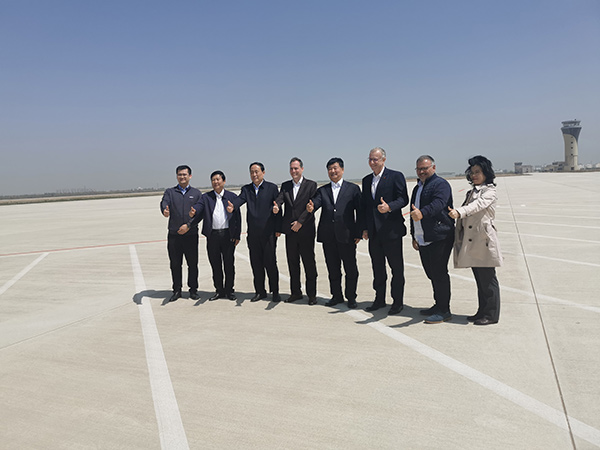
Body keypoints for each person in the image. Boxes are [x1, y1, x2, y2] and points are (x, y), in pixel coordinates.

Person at [448, 155, 502, 326]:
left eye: (478, 172)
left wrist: (459, 212)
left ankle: (491, 314)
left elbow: (477, 206)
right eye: (472, 172)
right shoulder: (472, 192)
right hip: (474, 241)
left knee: (488, 280)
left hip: (483, 242)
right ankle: (482, 311)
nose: (474, 175)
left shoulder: (489, 191)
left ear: (486, 172)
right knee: (480, 280)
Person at [307, 157, 362, 309]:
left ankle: (351, 297)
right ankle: (336, 295)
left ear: (342, 170)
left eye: (335, 168)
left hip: (347, 236)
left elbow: (360, 211)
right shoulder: (322, 190)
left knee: (351, 269)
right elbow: (316, 202)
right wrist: (311, 207)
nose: (333, 171)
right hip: (328, 237)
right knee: (333, 269)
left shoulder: (353, 189)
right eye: (330, 169)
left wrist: (359, 232)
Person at [361, 147, 409, 314]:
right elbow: (365, 206)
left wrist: (390, 207)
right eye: (370, 159)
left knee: (396, 268)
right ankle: (379, 299)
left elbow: (403, 198)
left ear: (383, 160)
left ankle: (397, 302)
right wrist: (365, 228)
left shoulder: (395, 176)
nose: (372, 162)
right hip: (374, 233)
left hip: (391, 231)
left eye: (375, 159)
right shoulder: (366, 180)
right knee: (378, 268)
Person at [409, 155, 455, 324]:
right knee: (431, 273)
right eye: (419, 169)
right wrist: (414, 235)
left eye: (425, 168)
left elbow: (439, 204)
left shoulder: (440, 184)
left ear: (433, 168)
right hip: (423, 237)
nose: (421, 172)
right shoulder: (417, 188)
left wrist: (423, 213)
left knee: (439, 273)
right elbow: (412, 213)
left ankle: (444, 310)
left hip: (440, 236)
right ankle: (438, 304)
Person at [230, 162, 282, 302]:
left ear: (263, 172)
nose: (254, 174)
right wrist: (233, 206)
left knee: (271, 263)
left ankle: (275, 292)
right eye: (252, 172)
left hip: (268, 234)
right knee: (256, 264)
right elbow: (240, 199)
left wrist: (278, 228)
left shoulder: (271, 188)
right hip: (253, 234)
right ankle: (260, 292)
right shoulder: (246, 189)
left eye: (257, 171)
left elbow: (278, 208)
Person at [189, 170, 241, 301]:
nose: (215, 182)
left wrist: (237, 235)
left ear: (224, 181)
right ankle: (219, 290)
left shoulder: (232, 197)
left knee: (229, 264)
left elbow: (238, 218)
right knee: (215, 264)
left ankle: (229, 290)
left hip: (228, 235)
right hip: (212, 236)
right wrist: (194, 211)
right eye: (213, 180)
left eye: (218, 179)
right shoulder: (206, 197)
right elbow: (199, 207)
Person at [272, 157, 318, 305]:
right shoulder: (286, 185)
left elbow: (311, 207)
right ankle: (295, 292)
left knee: (309, 263)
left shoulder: (311, 185)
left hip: (306, 231)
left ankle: (312, 295)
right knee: (293, 263)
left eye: (296, 168)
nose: (293, 171)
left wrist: (300, 222)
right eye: (291, 168)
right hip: (291, 231)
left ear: (302, 169)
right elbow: (280, 199)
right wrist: (277, 206)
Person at [160, 165, 202, 302]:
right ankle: (177, 290)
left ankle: (193, 290)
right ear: (176, 176)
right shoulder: (170, 192)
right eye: (179, 174)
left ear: (190, 176)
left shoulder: (196, 193)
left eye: (184, 174)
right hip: (174, 235)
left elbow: (200, 213)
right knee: (175, 264)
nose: (182, 177)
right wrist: (164, 210)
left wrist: (189, 225)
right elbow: (164, 202)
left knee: (192, 264)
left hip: (191, 235)